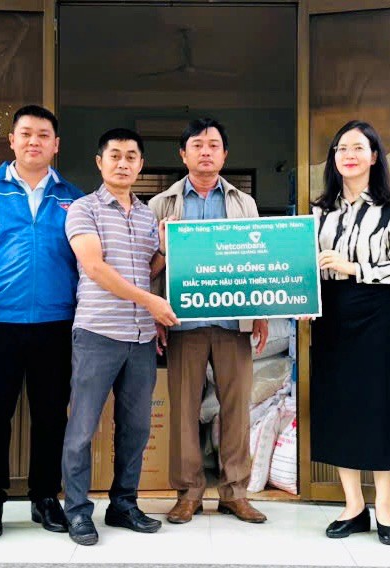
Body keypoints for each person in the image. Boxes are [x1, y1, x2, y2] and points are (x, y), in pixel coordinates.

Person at [0, 105, 84, 539]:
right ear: (12, 140)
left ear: (56, 145)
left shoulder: (73, 197)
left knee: (51, 415)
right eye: (26, 134)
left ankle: (44, 497)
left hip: (57, 322)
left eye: (43, 135)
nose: (34, 141)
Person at [148, 118, 270, 525]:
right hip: (182, 321)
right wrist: (157, 312)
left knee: (237, 407)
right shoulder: (161, 204)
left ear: (224, 154)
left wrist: (259, 312)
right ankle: (188, 493)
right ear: (182, 154)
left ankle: (235, 493)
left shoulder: (243, 203)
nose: (205, 152)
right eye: (197, 145)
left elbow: (257, 260)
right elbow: (147, 268)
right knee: (184, 408)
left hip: (234, 319)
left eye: (213, 145)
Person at [61, 128, 179, 546]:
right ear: (100, 162)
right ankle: (77, 510)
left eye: (131, 156)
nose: (123, 163)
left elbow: (145, 271)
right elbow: (94, 267)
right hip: (97, 332)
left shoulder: (147, 216)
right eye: (115, 155)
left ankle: (123, 504)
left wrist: (165, 251)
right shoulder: (83, 209)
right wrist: (151, 302)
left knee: (136, 428)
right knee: (82, 427)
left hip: (140, 337)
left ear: (141, 164)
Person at [308, 120, 390, 545]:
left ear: (374, 156)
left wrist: (355, 267)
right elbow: (303, 263)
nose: (348, 155)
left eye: (358, 147)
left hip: (375, 311)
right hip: (330, 313)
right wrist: (303, 298)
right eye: (341, 148)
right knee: (341, 406)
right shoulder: (319, 210)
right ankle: (353, 506)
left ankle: (385, 507)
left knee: (380, 405)